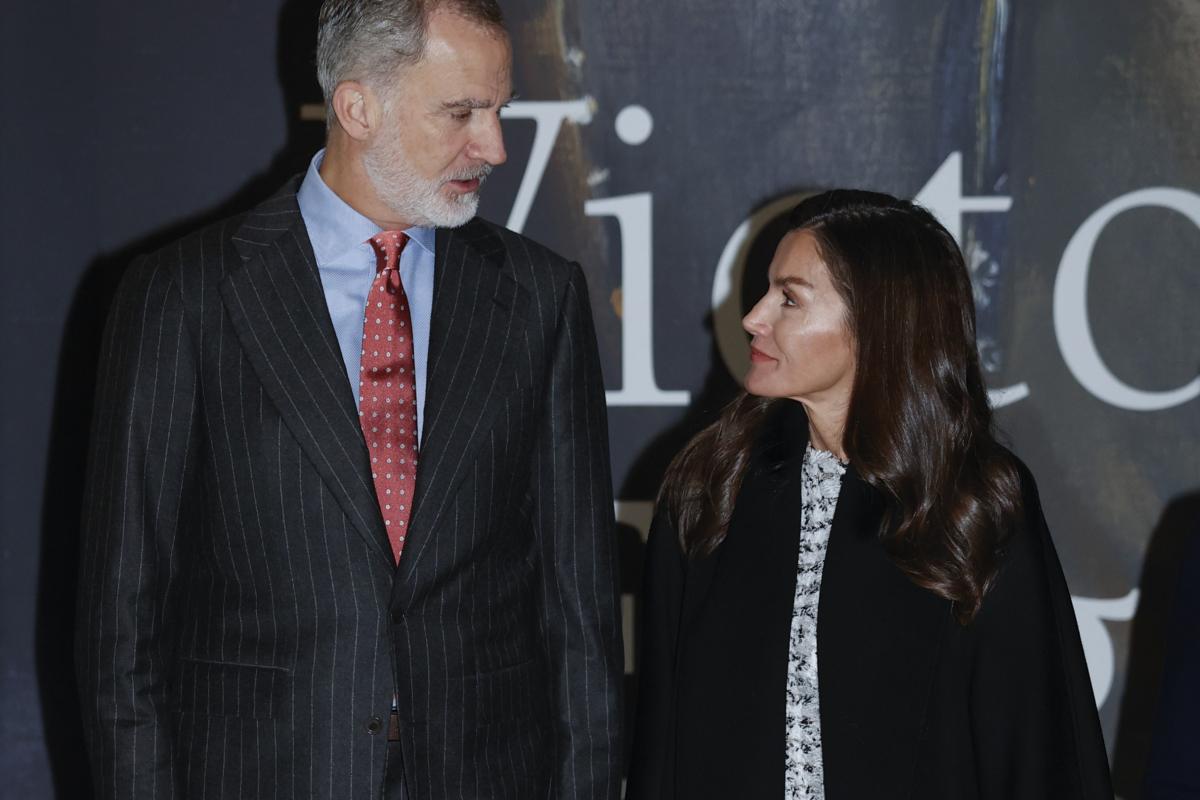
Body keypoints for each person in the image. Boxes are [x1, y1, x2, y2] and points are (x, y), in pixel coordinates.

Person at [75, 2, 623, 798]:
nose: (495, 147)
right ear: (359, 108)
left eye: (499, 111)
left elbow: (581, 616)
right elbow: (123, 626)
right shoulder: (185, 295)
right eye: (461, 112)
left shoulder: (540, 297)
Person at [625, 190, 1113, 799]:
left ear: (877, 323)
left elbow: (1037, 748)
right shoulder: (709, 484)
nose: (753, 317)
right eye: (768, 291)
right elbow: (661, 744)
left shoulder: (974, 499)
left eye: (789, 298)